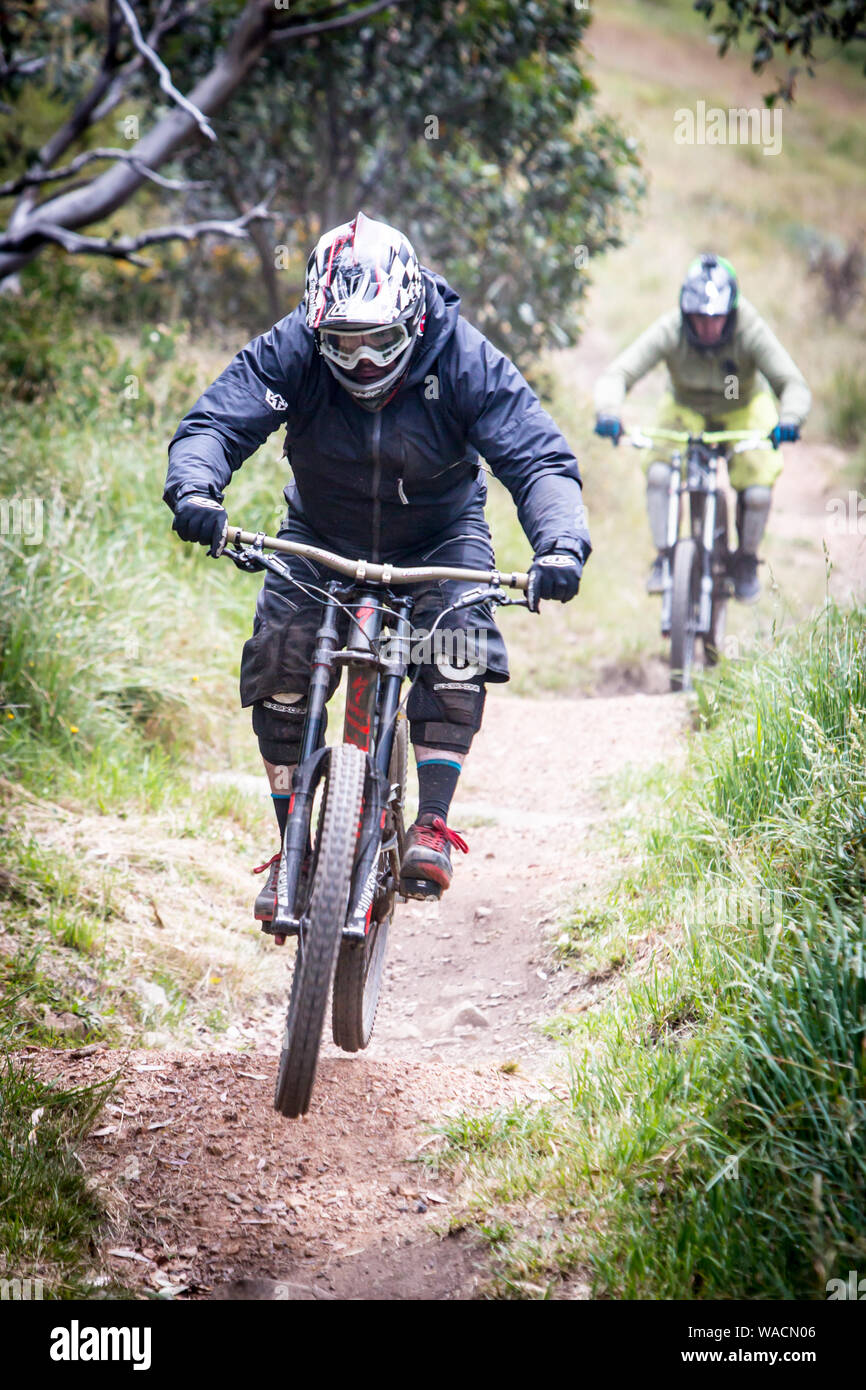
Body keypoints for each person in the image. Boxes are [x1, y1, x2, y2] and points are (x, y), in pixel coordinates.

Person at [164, 212, 591, 919]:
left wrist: (560, 545)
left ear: (415, 320)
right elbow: (216, 423)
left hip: (439, 535)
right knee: (280, 661)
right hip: (319, 535)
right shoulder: (293, 348)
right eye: (343, 343)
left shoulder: (463, 357)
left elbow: (537, 459)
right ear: (316, 328)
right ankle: (293, 845)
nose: (362, 362)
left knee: (456, 647)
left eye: (380, 342)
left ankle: (431, 823)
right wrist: (195, 490)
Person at [593, 253, 810, 602]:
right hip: (685, 408)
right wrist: (608, 412)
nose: (707, 327)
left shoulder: (750, 330)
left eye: (716, 319)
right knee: (659, 473)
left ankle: (747, 560)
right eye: (698, 319)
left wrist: (790, 419)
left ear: (732, 312)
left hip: (742, 409)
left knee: (756, 491)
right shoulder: (670, 330)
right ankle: (664, 559)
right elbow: (619, 372)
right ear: (685, 312)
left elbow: (792, 383)